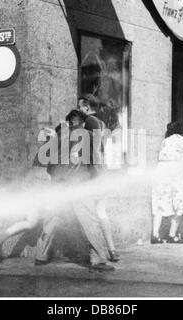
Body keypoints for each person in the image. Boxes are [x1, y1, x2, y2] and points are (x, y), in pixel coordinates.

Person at [34, 109, 114, 272]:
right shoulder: (88, 136)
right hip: (79, 184)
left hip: (58, 183)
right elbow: (95, 163)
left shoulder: (57, 136)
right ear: (83, 122)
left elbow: (45, 162)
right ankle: (98, 260)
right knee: (89, 221)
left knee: (52, 218)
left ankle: (40, 256)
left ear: (68, 121)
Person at [77, 95, 119, 262]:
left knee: (89, 214)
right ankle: (111, 250)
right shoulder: (103, 122)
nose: (78, 111)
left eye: (79, 107)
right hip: (103, 172)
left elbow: (93, 150)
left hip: (93, 173)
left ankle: (97, 254)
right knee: (101, 212)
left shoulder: (90, 121)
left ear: (86, 107)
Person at [151, 122, 183, 244]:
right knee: (179, 202)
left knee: (160, 202)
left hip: (160, 171)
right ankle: (172, 235)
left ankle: (155, 234)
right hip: (175, 172)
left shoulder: (166, 141)